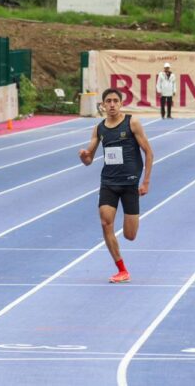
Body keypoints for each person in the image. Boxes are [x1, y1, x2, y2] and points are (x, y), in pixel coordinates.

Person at [78, 88, 153, 284]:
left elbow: (149, 152)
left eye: (115, 101)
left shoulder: (132, 123)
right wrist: (84, 157)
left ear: (120, 103)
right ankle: (122, 269)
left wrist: (145, 181)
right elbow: (89, 159)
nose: (111, 104)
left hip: (129, 184)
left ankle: (129, 229)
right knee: (105, 222)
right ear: (103, 105)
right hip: (108, 183)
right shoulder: (99, 128)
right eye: (108, 101)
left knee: (130, 235)